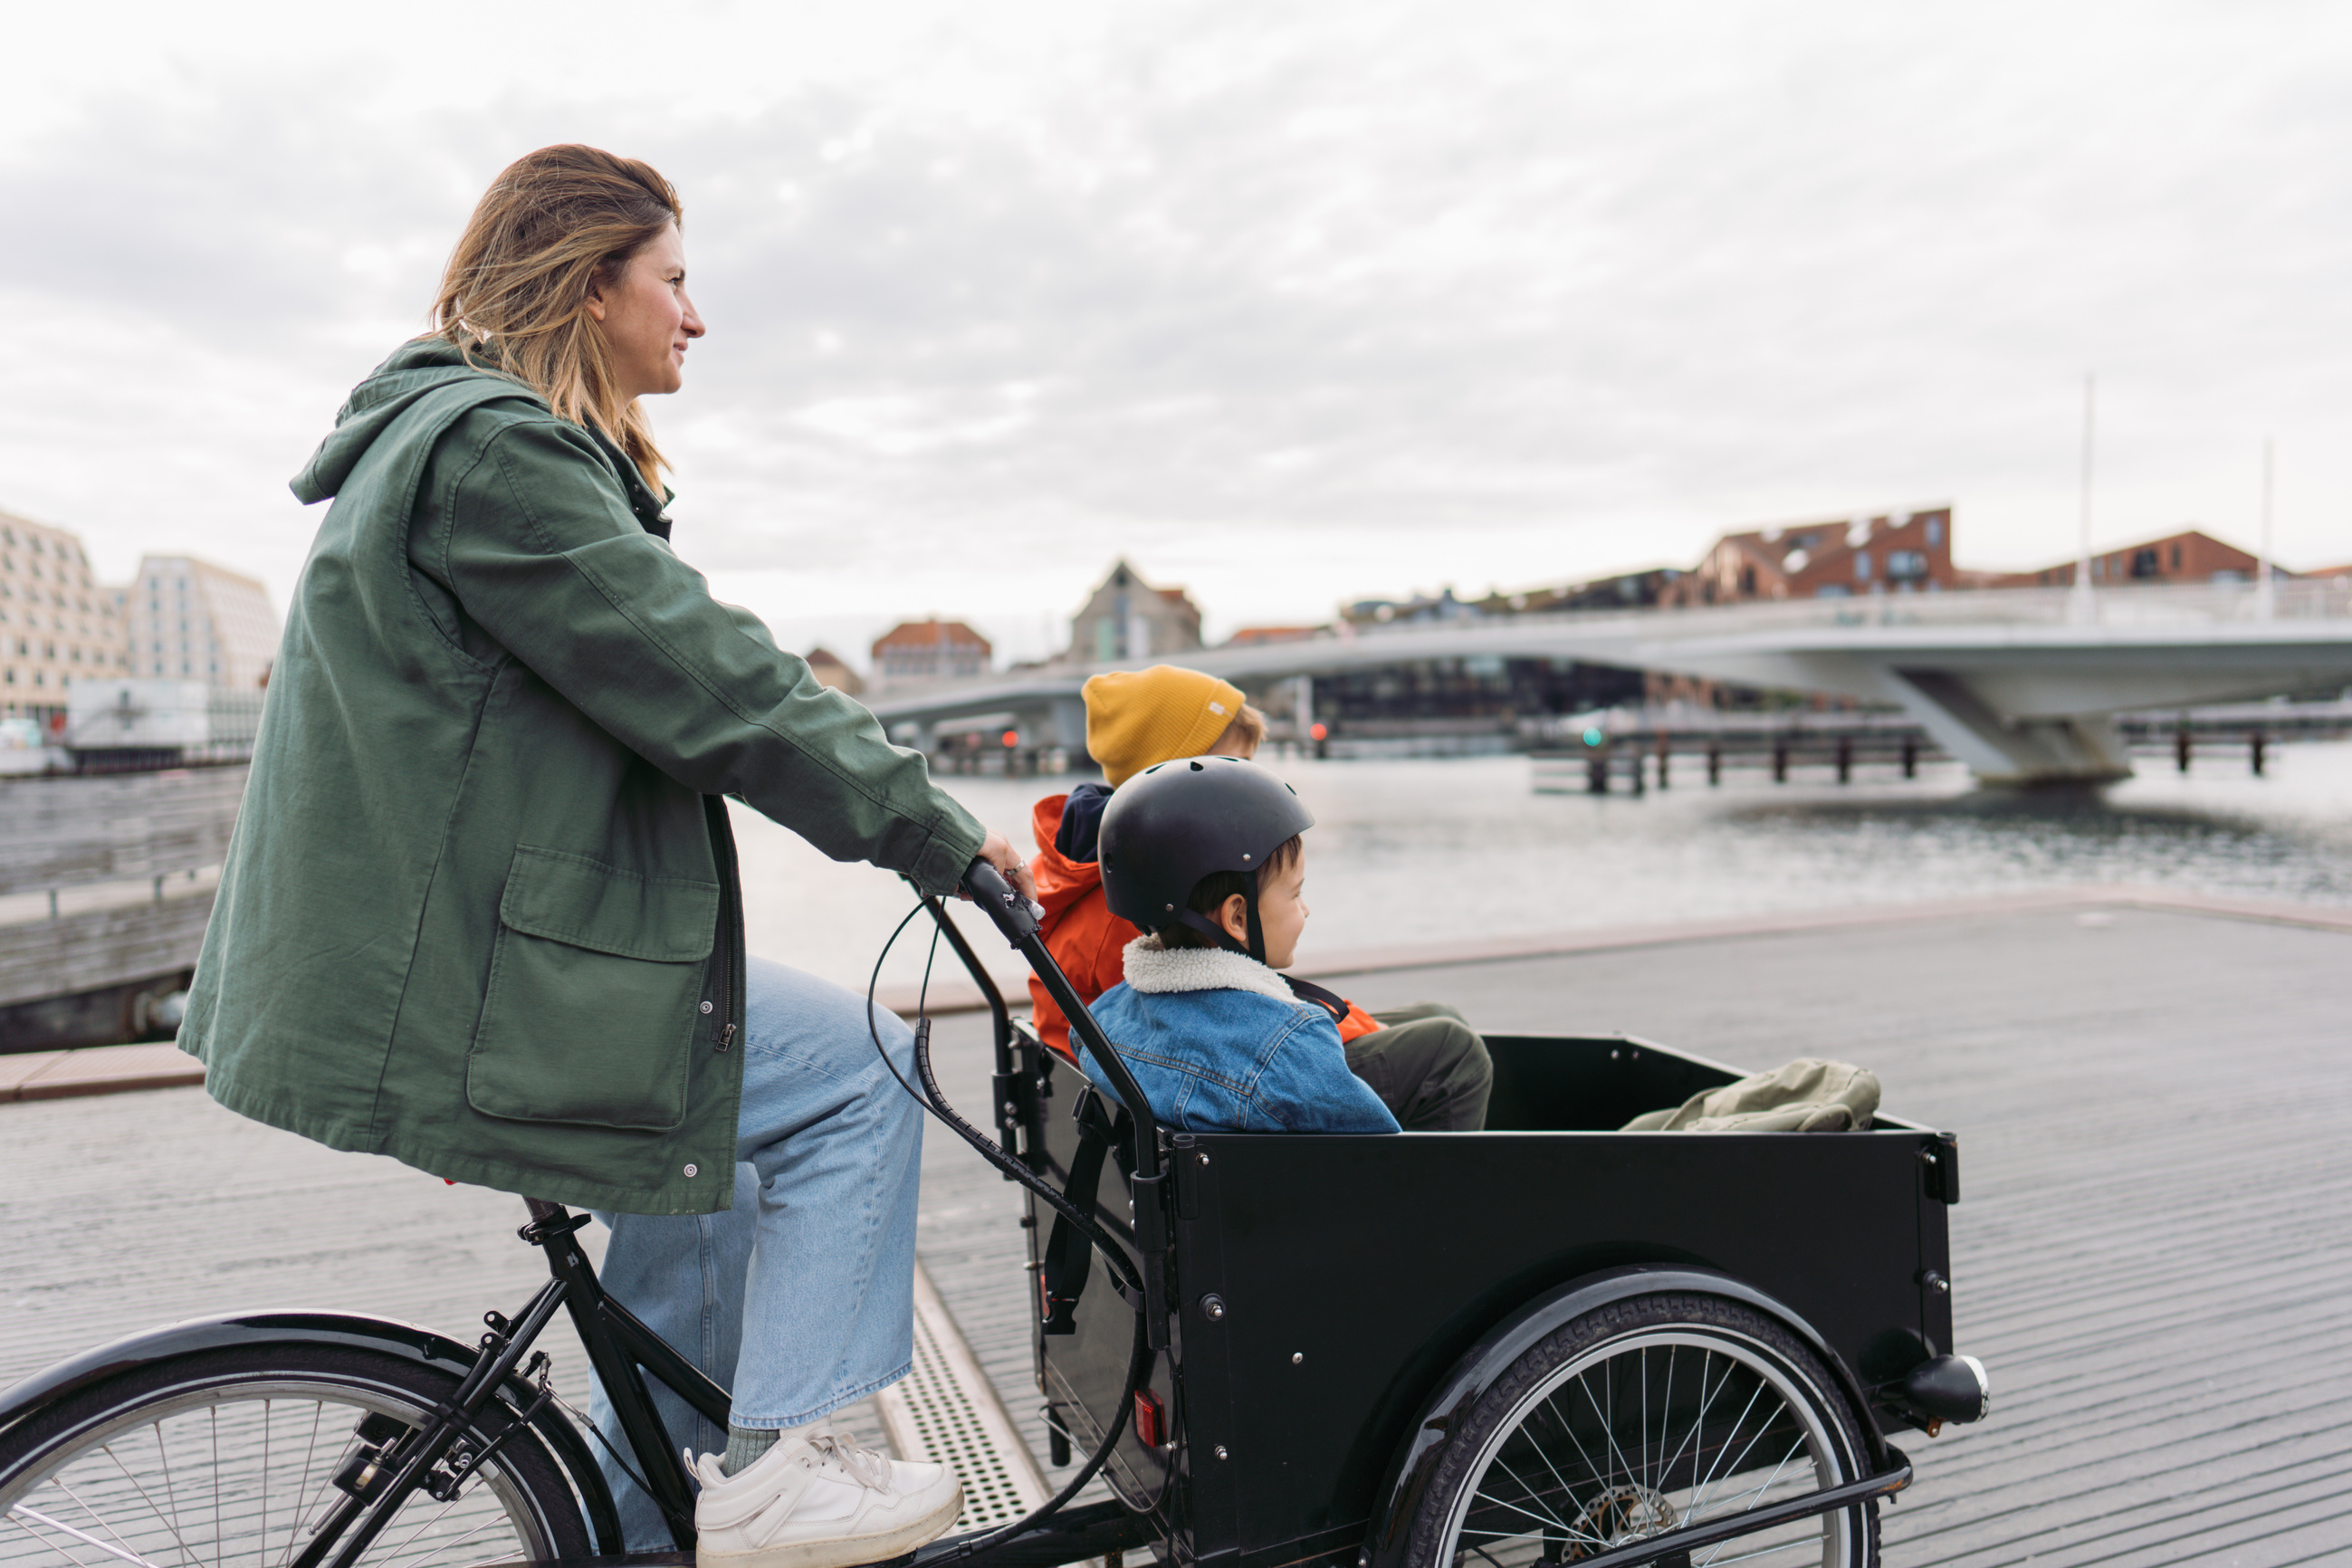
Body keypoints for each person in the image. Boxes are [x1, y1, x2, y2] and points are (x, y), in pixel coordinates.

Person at [176, 145, 1033, 1568]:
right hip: (478, 983)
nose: (696, 318)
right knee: (866, 1070)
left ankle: (659, 1529)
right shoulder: (502, 457)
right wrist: (940, 839)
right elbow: (717, 683)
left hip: (475, 955)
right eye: (677, 282)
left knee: (719, 1170)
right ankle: (777, 1474)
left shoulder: (446, 443)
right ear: (591, 287)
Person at [1030, 665, 1491, 1131]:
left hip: (1205, 1061)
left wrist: (1355, 1025)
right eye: (1236, 767)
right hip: (1225, 1081)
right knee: (1452, 1051)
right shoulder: (1137, 907)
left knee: (1436, 1018)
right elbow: (1216, 1031)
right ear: (1181, 777)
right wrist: (1338, 1032)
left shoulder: (1120, 867)